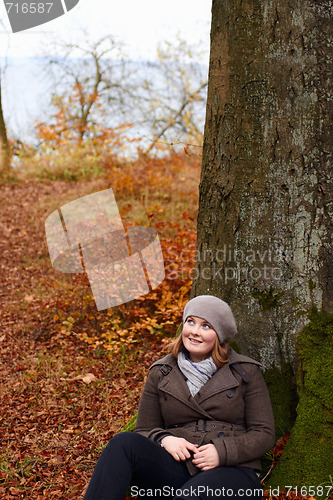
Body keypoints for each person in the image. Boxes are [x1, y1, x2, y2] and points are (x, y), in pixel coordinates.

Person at [83, 295, 275, 500]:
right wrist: (164, 439)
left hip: (232, 472)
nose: (194, 331)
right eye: (190, 322)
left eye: (206, 326)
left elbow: (264, 434)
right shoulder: (162, 371)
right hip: (178, 467)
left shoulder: (245, 372)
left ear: (219, 335)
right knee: (123, 443)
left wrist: (222, 451)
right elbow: (144, 429)